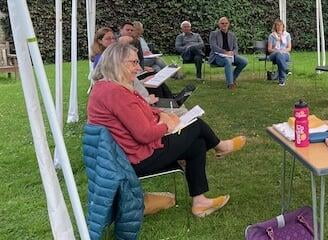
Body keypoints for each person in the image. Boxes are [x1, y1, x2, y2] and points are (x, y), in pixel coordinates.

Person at [87, 43, 247, 217]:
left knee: (198, 144)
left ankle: (200, 202)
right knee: (195, 125)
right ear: (118, 63)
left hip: (127, 155)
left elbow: (141, 109)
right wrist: (166, 126)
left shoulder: (110, 86)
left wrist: (161, 114)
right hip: (135, 159)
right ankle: (220, 146)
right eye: (133, 62)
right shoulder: (115, 92)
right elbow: (144, 135)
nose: (138, 67)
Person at [209, 17, 248, 90]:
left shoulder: (232, 35)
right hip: (217, 56)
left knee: (244, 61)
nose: (224, 25)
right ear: (219, 24)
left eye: (226, 23)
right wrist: (225, 52)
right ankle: (230, 84)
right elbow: (213, 47)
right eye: (222, 23)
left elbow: (236, 47)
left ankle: (232, 78)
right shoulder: (214, 34)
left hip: (230, 55)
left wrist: (233, 52)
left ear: (228, 24)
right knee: (227, 61)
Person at [267, 18, 292, 86]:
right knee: (279, 54)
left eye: (281, 25)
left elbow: (289, 48)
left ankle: (282, 80)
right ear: (275, 27)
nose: (279, 27)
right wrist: (278, 51)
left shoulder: (287, 35)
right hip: (273, 54)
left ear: (283, 26)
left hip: (285, 54)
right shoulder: (271, 36)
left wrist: (283, 51)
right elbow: (269, 49)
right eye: (277, 25)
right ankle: (286, 70)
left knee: (280, 57)